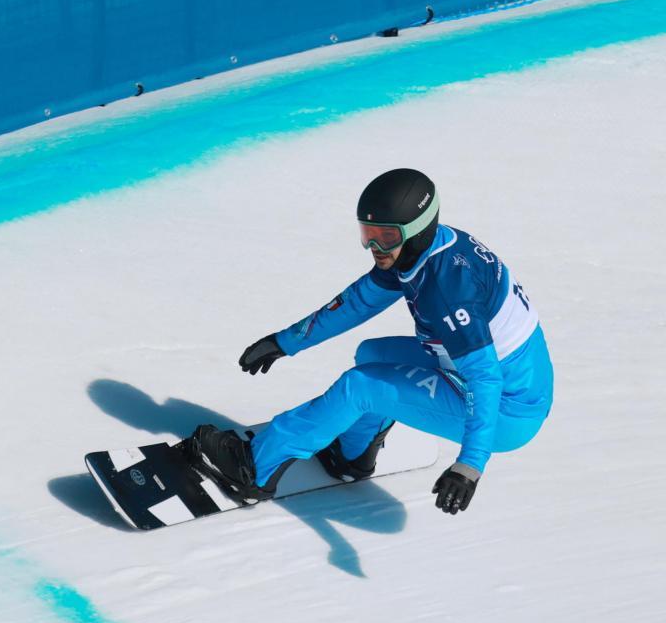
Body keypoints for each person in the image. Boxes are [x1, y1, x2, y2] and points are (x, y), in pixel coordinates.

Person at [184, 168, 553, 515]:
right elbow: (359, 301)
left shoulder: (446, 290)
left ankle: (254, 470)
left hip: (506, 411)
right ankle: (354, 454)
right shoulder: (425, 249)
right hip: (488, 375)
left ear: (416, 231)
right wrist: (286, 342)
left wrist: (469, 465)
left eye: (386, 236)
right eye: (368, 234)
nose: (375, 246)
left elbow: (485, 378)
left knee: (359, 386)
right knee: (372, 354)